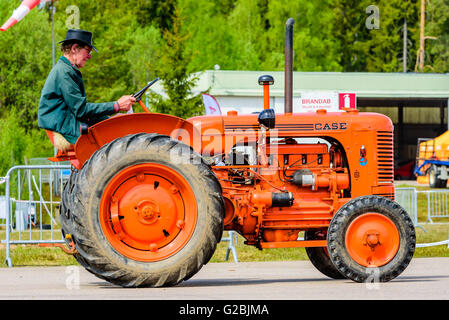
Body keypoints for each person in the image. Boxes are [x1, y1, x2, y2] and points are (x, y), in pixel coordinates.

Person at [38, 29, 136, 151]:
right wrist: (116, 106)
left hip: (67, 124)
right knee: (115, 140)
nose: (89, 56)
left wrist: (110, 120)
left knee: (114, 126)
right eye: (88, 51)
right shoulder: (64, 73)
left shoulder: (66, 70)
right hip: (65, 128)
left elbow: (80, 111)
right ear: (74, 49)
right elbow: (81, 110)